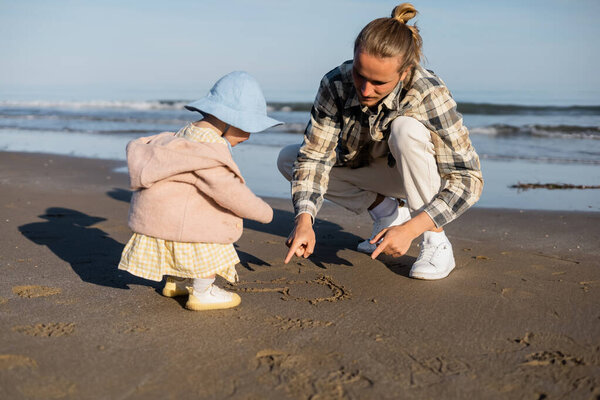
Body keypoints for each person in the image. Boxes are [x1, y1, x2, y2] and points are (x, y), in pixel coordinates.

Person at [278, 3, 483, 280]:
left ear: (404, 72)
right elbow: (314, 157)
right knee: (289, 159)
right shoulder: (336, 83)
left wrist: (412, 229)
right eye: (360, 75)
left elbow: (468, 179)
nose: (365, 89)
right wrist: (304, 220)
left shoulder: (427, 92)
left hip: (422, 178)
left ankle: (436, 242)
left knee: (405, 129)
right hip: (371, 168)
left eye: (379, 83)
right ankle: (387, 213)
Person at [118, 71, 282, 310]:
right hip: (186, 226)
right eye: (247, 126)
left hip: (159, 221)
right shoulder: (209, 150)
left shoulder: (183, 135)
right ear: (227, 119)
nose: (248, 135)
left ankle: (175, 282)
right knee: (210, 234)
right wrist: (264, 212)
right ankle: (203, 292)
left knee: (185, 224)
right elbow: (229, 191)